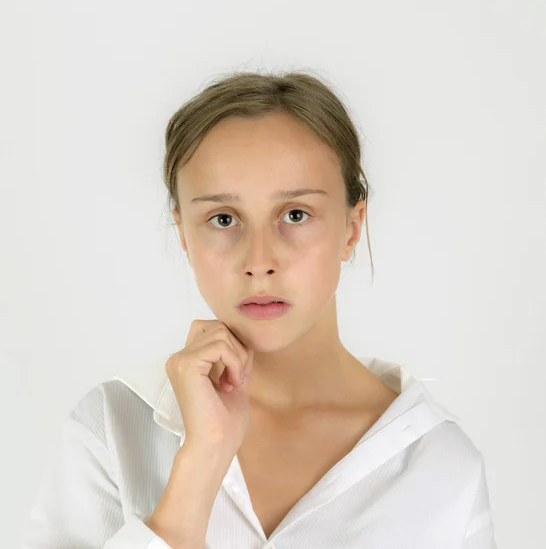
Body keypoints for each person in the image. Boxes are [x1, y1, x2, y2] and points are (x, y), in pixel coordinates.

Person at [21, 70, 497, 548]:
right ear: (184, 234)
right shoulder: (113, 427)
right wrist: (198, 467)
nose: (259, 262)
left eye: (295, 214)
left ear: (352, 227)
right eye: (223, 219)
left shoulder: (440, 465)